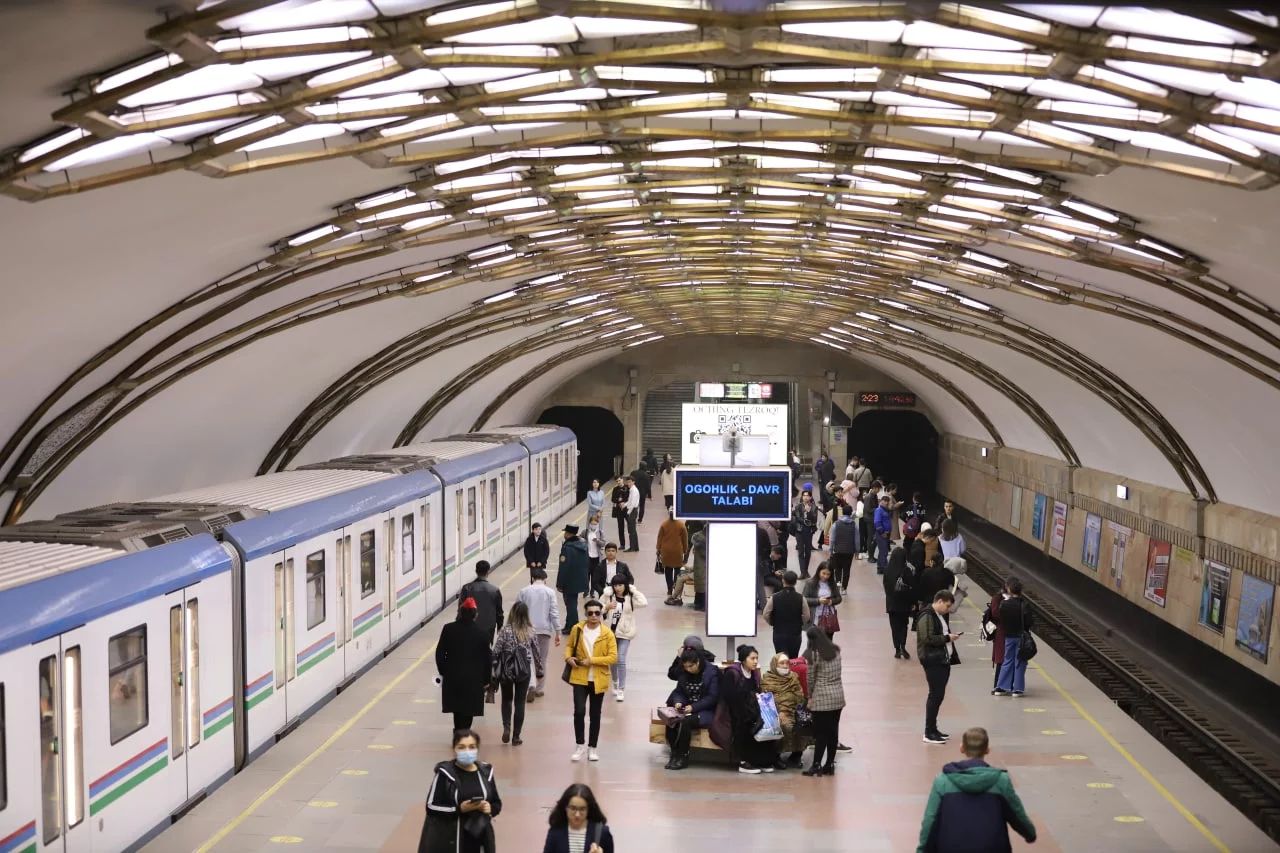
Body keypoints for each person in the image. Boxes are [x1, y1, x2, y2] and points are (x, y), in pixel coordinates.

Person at [916, 727, 1037, 853]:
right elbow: (1016, 814)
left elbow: (930, 820)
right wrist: (1030, 834)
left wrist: (922, 850)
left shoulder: (943, 781)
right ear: (987, 750)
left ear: (962, 748)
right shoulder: (1000, 781)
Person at [419, 729, 502, 853]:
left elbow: (496, 802)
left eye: (472, 747)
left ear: (477, 749)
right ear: (454, 749)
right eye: (461, 747)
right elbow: (431, 806)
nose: (467, 751)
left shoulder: (486, 772)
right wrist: (459, 809)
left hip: (479, 837)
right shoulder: (445, 774)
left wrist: (490, 808)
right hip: (452, 839)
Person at [564, 599, 618, 761]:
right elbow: (569, 646)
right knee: (579, 711)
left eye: (597, 613)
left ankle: (592, 747)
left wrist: (592, 660)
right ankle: (580, 745)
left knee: (595, 714)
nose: (594, 616)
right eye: (590, 613)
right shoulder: (577, 629)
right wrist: (568, 658)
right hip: (579, 677)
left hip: (598, 678)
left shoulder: (607, 633)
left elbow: (613, 657)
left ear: (601, 614)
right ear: (585, 613)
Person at [715, 645, 780, 774]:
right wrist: (749, 712)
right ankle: (745, 761)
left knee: (768, 721)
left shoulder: (754, 674)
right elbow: (728, 697)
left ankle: (763, 759)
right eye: (752, 658)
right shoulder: (732, 673)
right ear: (744, 660)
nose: (756, 661)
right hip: (733, 712)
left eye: (757, 658)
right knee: (747, 724)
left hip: (751, 708)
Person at [491, 601, 543, 746]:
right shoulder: (531, 631)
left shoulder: (505, 630)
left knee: (506, 700)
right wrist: (539, 671)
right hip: (524, 671)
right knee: (520, 703)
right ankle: (516, 736)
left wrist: (494, 668)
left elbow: (496, 651)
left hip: (507, 670)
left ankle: (506, 726)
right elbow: (537, 654)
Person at [436, 599, 492, 733]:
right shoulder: (483, 634)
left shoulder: (448, 629)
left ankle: (458, 731)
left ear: (460, 613)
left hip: (453, 677)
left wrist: (444, 672)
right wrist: (486, 680)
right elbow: (488, 660)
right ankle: (464, 731)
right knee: (469, 709)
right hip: (474, 680)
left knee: (457, 708)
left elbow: (439, 653)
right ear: (475, 614)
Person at [664, 646, 721, 770]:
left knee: (685, 722)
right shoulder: (684, 672)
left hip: (706, 711)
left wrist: (693, 707)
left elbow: (712, 697)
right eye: (685, 667)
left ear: (698, 662)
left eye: (691, 666)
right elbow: (679, 691)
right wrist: (678, 702)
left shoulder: (712, 673)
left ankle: (683, 755)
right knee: (671, 719)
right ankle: (674, 754)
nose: (688, 670)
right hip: (687, 708)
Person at [802, 625, 848, 776]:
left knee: (821, 733)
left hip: (822, 698)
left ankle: (816, 765)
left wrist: (809, 697)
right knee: (833, 732)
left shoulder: (814, 655)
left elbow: (810, 679)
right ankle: (829, 764)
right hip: (838, 697)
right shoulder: (836, 650)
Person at [917, 590, 961, 745]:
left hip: (941, 660)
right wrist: (947, 638)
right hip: (932, 660)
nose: (948, 609)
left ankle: (933, 729)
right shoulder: (927, 616)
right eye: (947, 606)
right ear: (940, 601)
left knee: (938, 695)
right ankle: (928, 732)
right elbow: (927, 638)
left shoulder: (938, 616)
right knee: (935, 695)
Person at [601, 574, 647, 702]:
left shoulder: (630, 597)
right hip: (610, 633)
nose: (618, 588)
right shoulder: (608, 596)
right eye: (615, 585)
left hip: (625, 633)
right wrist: (606, 607)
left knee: (621, 658)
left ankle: (621, 689)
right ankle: (615, 681)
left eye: (621, 585)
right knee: (613, 660)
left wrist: (633, 590)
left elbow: (644, 603)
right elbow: (597, 609)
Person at [516, 568, 560, 700]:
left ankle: (530, 685)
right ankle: (539, 688)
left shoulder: (523, 591)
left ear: (532, 579)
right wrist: (558, 631)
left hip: (526, 629)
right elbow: (554, 612)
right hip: (544, 630)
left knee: (527, 657)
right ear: (545, 579)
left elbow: (517, 610)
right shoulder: (550, 592)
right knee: (542, 660)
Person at [761, 652, 808, 768]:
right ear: (774, 665)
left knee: (805, 724)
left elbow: (800, 695)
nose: (785, 666)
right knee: (785, 725)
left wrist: (794, 707)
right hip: (776, 712)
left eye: (787, 663)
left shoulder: (793, 677)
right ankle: (776, 756)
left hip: (794, 710)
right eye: (781, 663)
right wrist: (779, 711)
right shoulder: (767, 679)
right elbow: (766, 700)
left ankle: (797, 754)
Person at [543, 783, 615, 853]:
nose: (577, 814)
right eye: (573, 808)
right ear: (565, 808)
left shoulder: (602, 833)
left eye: (582, 809)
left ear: (588, 809)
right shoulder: (555, 832)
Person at [992, 577, 1032, 697]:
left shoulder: (1004, 604)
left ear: (1009, 590)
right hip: (1021, 636)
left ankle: (1001, 687)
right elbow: (1029, 622)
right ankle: (1017, 689)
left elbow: (1002, 620)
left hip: (1008, 636)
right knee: (1019, 661)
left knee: (1007, 660)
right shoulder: (1024, 605)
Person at [884, 539, 919, 660]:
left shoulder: (888, 570)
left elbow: (886, 587)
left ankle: (897, 649)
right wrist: (914, 603)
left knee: (894, 627)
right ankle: (903, 646)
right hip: (904, 605)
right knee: (904, 625)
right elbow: (913, 588)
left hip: (891, 604)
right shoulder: (906, 571)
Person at [763, 569, 809, 657]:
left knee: (781, 659)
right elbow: (806, 615)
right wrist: (799, 623)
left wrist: (772, 622)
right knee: (793, 658)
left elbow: (766, 614)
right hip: (795, 633)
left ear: (783, 580)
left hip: (779, 632)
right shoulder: (801, 598)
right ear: (795, 582)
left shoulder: (774, 597)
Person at [556, 524, 590, 634]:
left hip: (569, 581)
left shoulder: (567, 548)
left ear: (569, 534)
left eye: (565, 532)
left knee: (570, 605)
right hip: (579, 580)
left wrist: (560, 584)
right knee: (572, 604)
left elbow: (564, 567)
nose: (564, 534)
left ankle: (573, 626)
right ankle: (569, 624)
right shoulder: (583, 545)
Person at [459, 561, 503, 645]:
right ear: (488, 572)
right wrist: (499, 627)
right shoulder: (495, 590)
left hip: (470, 627)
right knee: (485, 649)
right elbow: (499, 612)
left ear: (476, 571)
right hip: (489, 627)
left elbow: (460, 610)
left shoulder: (467, 588)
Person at [803, 560, 843, 639]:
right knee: (814, 643)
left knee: (828, 643)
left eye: (828, 574)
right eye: (823, 573)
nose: (825, 576)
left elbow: (839, 598)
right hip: (814, 618)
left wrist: (831, 601)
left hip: (829, 619)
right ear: (818, 571)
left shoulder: (832, 584)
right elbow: (804, 599)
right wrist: (818, 601)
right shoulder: (810, 583)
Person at [656, 510, 689, 600]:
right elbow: (685, 539)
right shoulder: (681, 525)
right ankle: (675, 587)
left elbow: (659, 538)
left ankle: (669, 590)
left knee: (668, 571)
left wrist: (658, 549)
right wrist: (685, 550)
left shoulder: (664, 524)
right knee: (677, 571)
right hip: (677, 551)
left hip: (666, 551)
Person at [790, 490, 820, 578]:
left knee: (808, 552)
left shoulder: (814, 507)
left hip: (809, 531)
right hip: (799, 531)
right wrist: (806, 520)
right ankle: (802, 572)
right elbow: (799, 518)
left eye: (807, 496)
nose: (805, 497)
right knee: (800, 552)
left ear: (810, 497)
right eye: (804, 495)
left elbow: (814, 519)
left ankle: (806, 570)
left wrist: (809, 512)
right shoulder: (798, 506)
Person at [829, 503, 859, 590]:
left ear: (842, 512)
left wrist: (831, 550)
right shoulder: (854, 525)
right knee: (847, 569)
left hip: (838, 550)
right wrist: (857, 551)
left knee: (838, 567)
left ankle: (838, 581)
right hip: (849, 551)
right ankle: (844, 588)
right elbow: (857, 539)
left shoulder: (836, 524)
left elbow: (832, 539)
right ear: (850, 513)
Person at [583, 513, 607, 597]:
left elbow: (603, 543)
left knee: (594, 576)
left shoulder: (600, 532)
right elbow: (580, 538)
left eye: (595, 524)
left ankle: (592, 592)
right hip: (587, 557)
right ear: (589, 524)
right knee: (586, 575)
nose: (593, 526)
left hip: (596, 558)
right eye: (592, 524)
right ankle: (586, 590)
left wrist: (597, 540)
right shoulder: (585, 532)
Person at [758, 543, 786, 611]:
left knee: (783, 580)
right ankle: (774, 602)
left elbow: (779, 566)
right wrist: (774, 573)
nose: (778, 558)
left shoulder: (776, 559)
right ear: (773, 553)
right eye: (777, 556)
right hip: (764, 577)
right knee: (778, 584)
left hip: (771, 575)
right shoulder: (766, 558)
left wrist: (779, 571)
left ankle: (779, 600)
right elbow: (766, 573)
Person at [688, 522, 708, 610]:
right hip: (704, 566)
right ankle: (703, 605)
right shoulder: (706, 541)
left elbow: (692, 538)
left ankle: (697, 603)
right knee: (704, 585)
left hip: (697, 565)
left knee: (699, 585)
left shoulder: (697, 537)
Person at [873, 492, 893, 574]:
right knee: (883, 551)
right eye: (884, 501)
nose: (886, 502)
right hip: (881, 534)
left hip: (886, 533)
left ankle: (881, 567)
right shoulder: (879, 510)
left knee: (883, 551)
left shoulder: (886, 510)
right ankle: (883, 567)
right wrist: (882, 532)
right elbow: (877, 522)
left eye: (887, 501)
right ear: (881, 501)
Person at [609, 477, 629, 549]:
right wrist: (618, 500)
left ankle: (632, 544)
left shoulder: (627, 488)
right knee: (620, 528)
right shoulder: (615, 489)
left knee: (630, 526)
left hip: (626, 510)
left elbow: (629, 497)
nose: (618, 482)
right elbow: (612, 499)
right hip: (619, 511)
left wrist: (623, 501)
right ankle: (622, 544)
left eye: (619, 480)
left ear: (622, 480)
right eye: (617, 481)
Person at [623, 476, 640, 551]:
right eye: (627, 482)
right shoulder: (632, 489)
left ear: (633, 482)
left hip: (632, 511)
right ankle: (635, 547)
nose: (628, 483)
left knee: (631, 530)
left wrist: (628, 512)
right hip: (633, 510)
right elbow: (630, 501)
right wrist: (625, 504)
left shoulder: (634, 491)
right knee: (633, 530)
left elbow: (632, 504)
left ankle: (632, 547)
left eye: (630, 482)